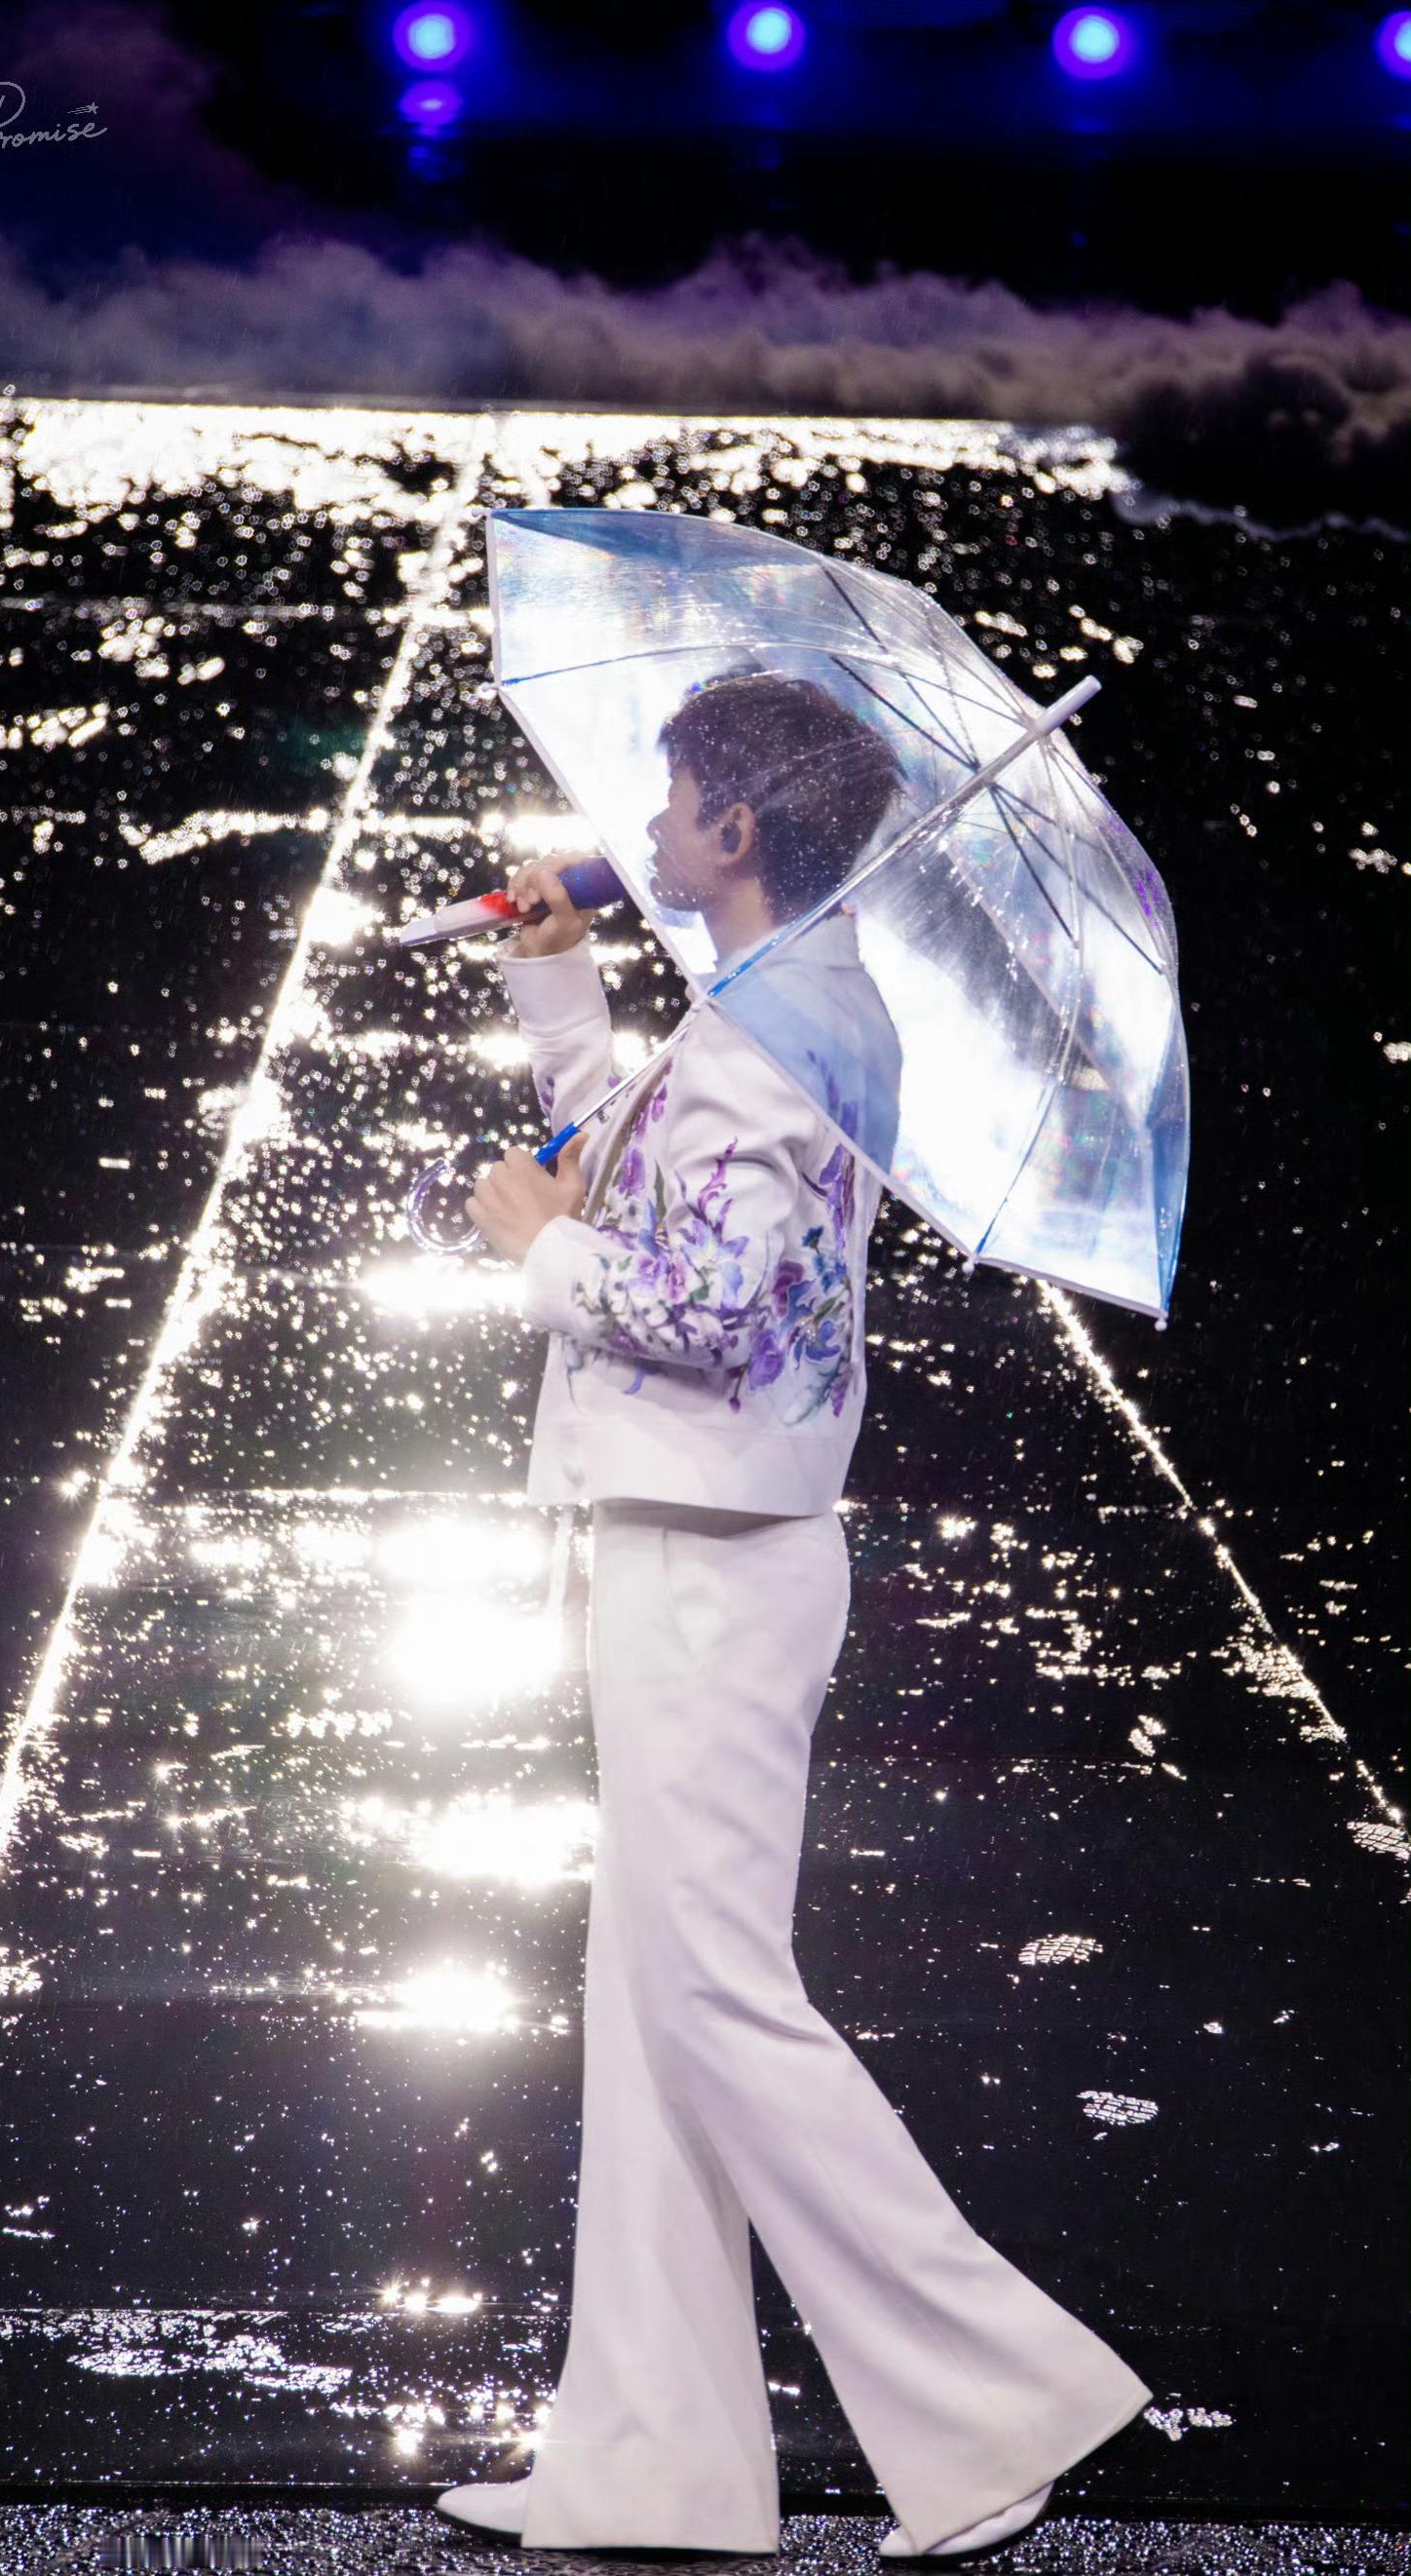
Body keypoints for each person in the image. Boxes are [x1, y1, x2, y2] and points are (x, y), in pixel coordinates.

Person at [437, 673, 1153, 2561]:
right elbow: (645, 1175)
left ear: (738, 829)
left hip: (713, 1563)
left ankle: (994, 2402)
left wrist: (534, 1246)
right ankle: (653, 2463)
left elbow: (704, 1302)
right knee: (653, 2011)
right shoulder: (778, 997)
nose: (650, 829)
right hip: (697, 1546)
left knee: (714, 2003)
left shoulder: (775, 1032)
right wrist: (560, 996)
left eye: (674, 800)